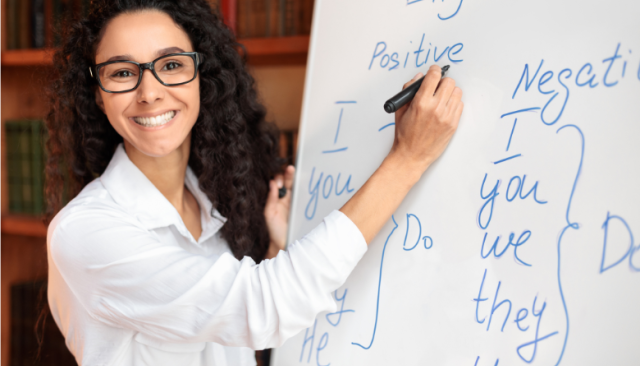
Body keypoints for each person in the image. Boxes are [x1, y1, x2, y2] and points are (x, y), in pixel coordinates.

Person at [44, 0, 464, 365]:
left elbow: (229, 331)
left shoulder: (209, 201)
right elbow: (263, 308)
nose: (149, 92)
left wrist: (273, 252)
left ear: (201, 77)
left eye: (171, 65)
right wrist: (409, 159)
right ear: (98, 93)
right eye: (121, 73)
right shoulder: (84, 232)